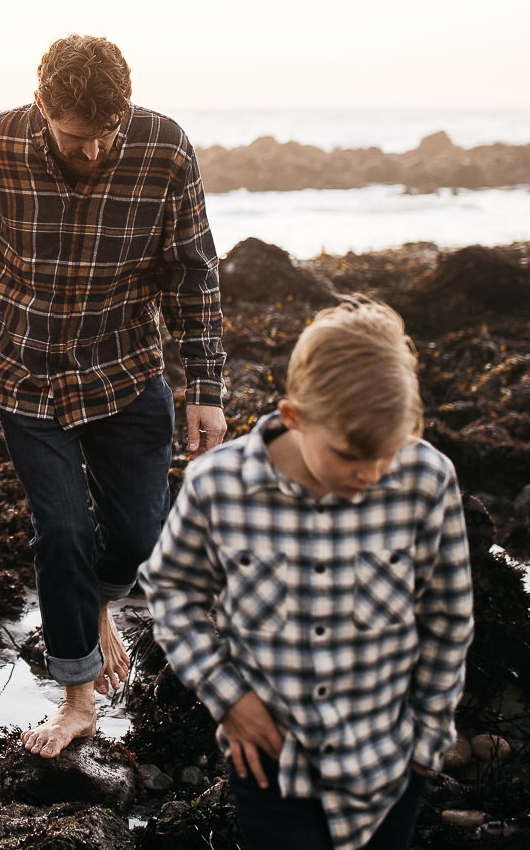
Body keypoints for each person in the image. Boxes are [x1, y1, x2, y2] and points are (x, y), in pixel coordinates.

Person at [0, 33, 227, 757]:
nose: (94, 150)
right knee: (59, 532)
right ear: (40, 107)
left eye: (106, 134)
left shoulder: (163, 147)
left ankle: (95, 604)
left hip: (124, 370)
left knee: (135, 538)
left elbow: (193, 271)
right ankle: (75, 699)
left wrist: (205, 387)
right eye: (76, 136)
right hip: (24, 370)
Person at [140, 298, 473, 850]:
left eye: (386, 455)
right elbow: (171, 593)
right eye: (349, 456)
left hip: (388, 763)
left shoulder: (427, 479)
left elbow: (448, 617)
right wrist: (229, 698)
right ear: (293, 417)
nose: (371, 475)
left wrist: (428, 740)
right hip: (270, 764)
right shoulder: (218, 485)